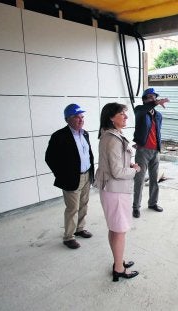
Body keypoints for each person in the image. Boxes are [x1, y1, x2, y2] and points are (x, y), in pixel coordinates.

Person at [94, 103, 140, 281]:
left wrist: (128, 164)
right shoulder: (112, 139)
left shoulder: (110, 135)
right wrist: (135, 169)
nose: (126, 117)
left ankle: (118, 261)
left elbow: (115, 165)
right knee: (119, 230)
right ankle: (119, 269)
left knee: (115, 228)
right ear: (111, 118)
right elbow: (117, 172)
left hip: (112, 189)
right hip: (116, 191)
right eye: (122, 114)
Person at [45, 103, 95, 250]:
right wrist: (62, 175)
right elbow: (50, 158)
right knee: (72, 208)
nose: (81, 120)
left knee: (84, 204)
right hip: (71, 178)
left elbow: (88, 155)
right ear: (67, 119)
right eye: (76, 117)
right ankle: (68, 237)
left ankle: (80, 228)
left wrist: (92, 173)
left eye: (82, 117)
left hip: (86, 175)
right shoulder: (59, 136)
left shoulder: (85, 133)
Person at [132, 87, 169, 218]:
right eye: (150, 97)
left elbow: (156, 132)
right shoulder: (139, 111)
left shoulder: (158, 115)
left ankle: (153, 203)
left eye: (154, 97)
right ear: (144, 100)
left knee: (154, 179)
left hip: (155, 151)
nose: (153, 99)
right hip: (143, 151)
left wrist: (159, 147)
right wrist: (156, 103)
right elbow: (142, 111)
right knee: (139, 179)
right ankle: (136, 207)